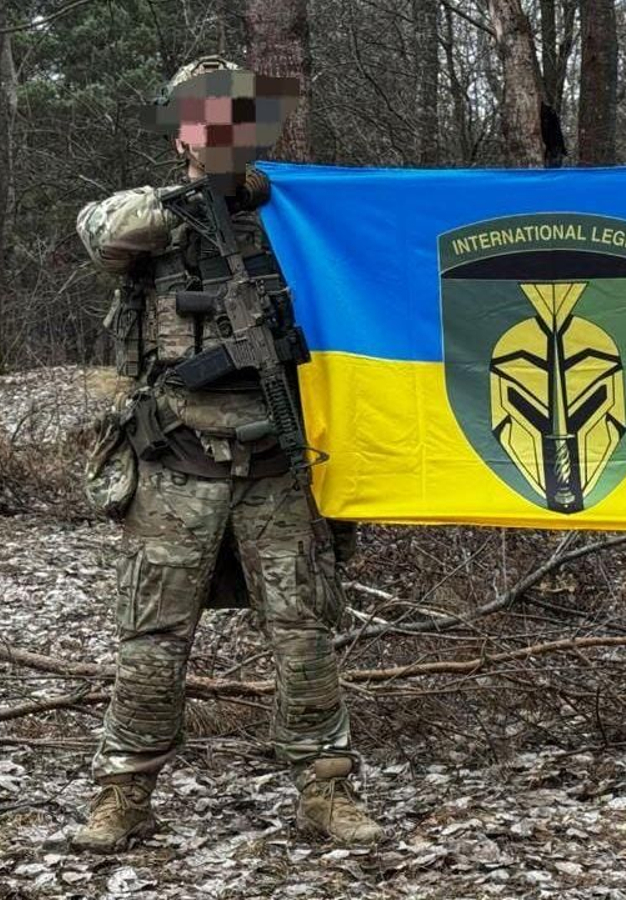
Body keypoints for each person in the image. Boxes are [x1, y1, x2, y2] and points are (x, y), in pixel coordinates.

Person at [71, 57, 382, 853]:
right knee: (151, 639)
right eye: (203, 117)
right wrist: (199, 192)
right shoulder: (151, 215)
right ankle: (124, 793)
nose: (221, 129)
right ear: (179, 132)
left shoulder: (294, 215)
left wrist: (265, 195)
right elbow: (103, 232)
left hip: (279, 463)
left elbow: (374, 258)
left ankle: (325, 788)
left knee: (305, 633)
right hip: (175, 461)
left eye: (237, 115)